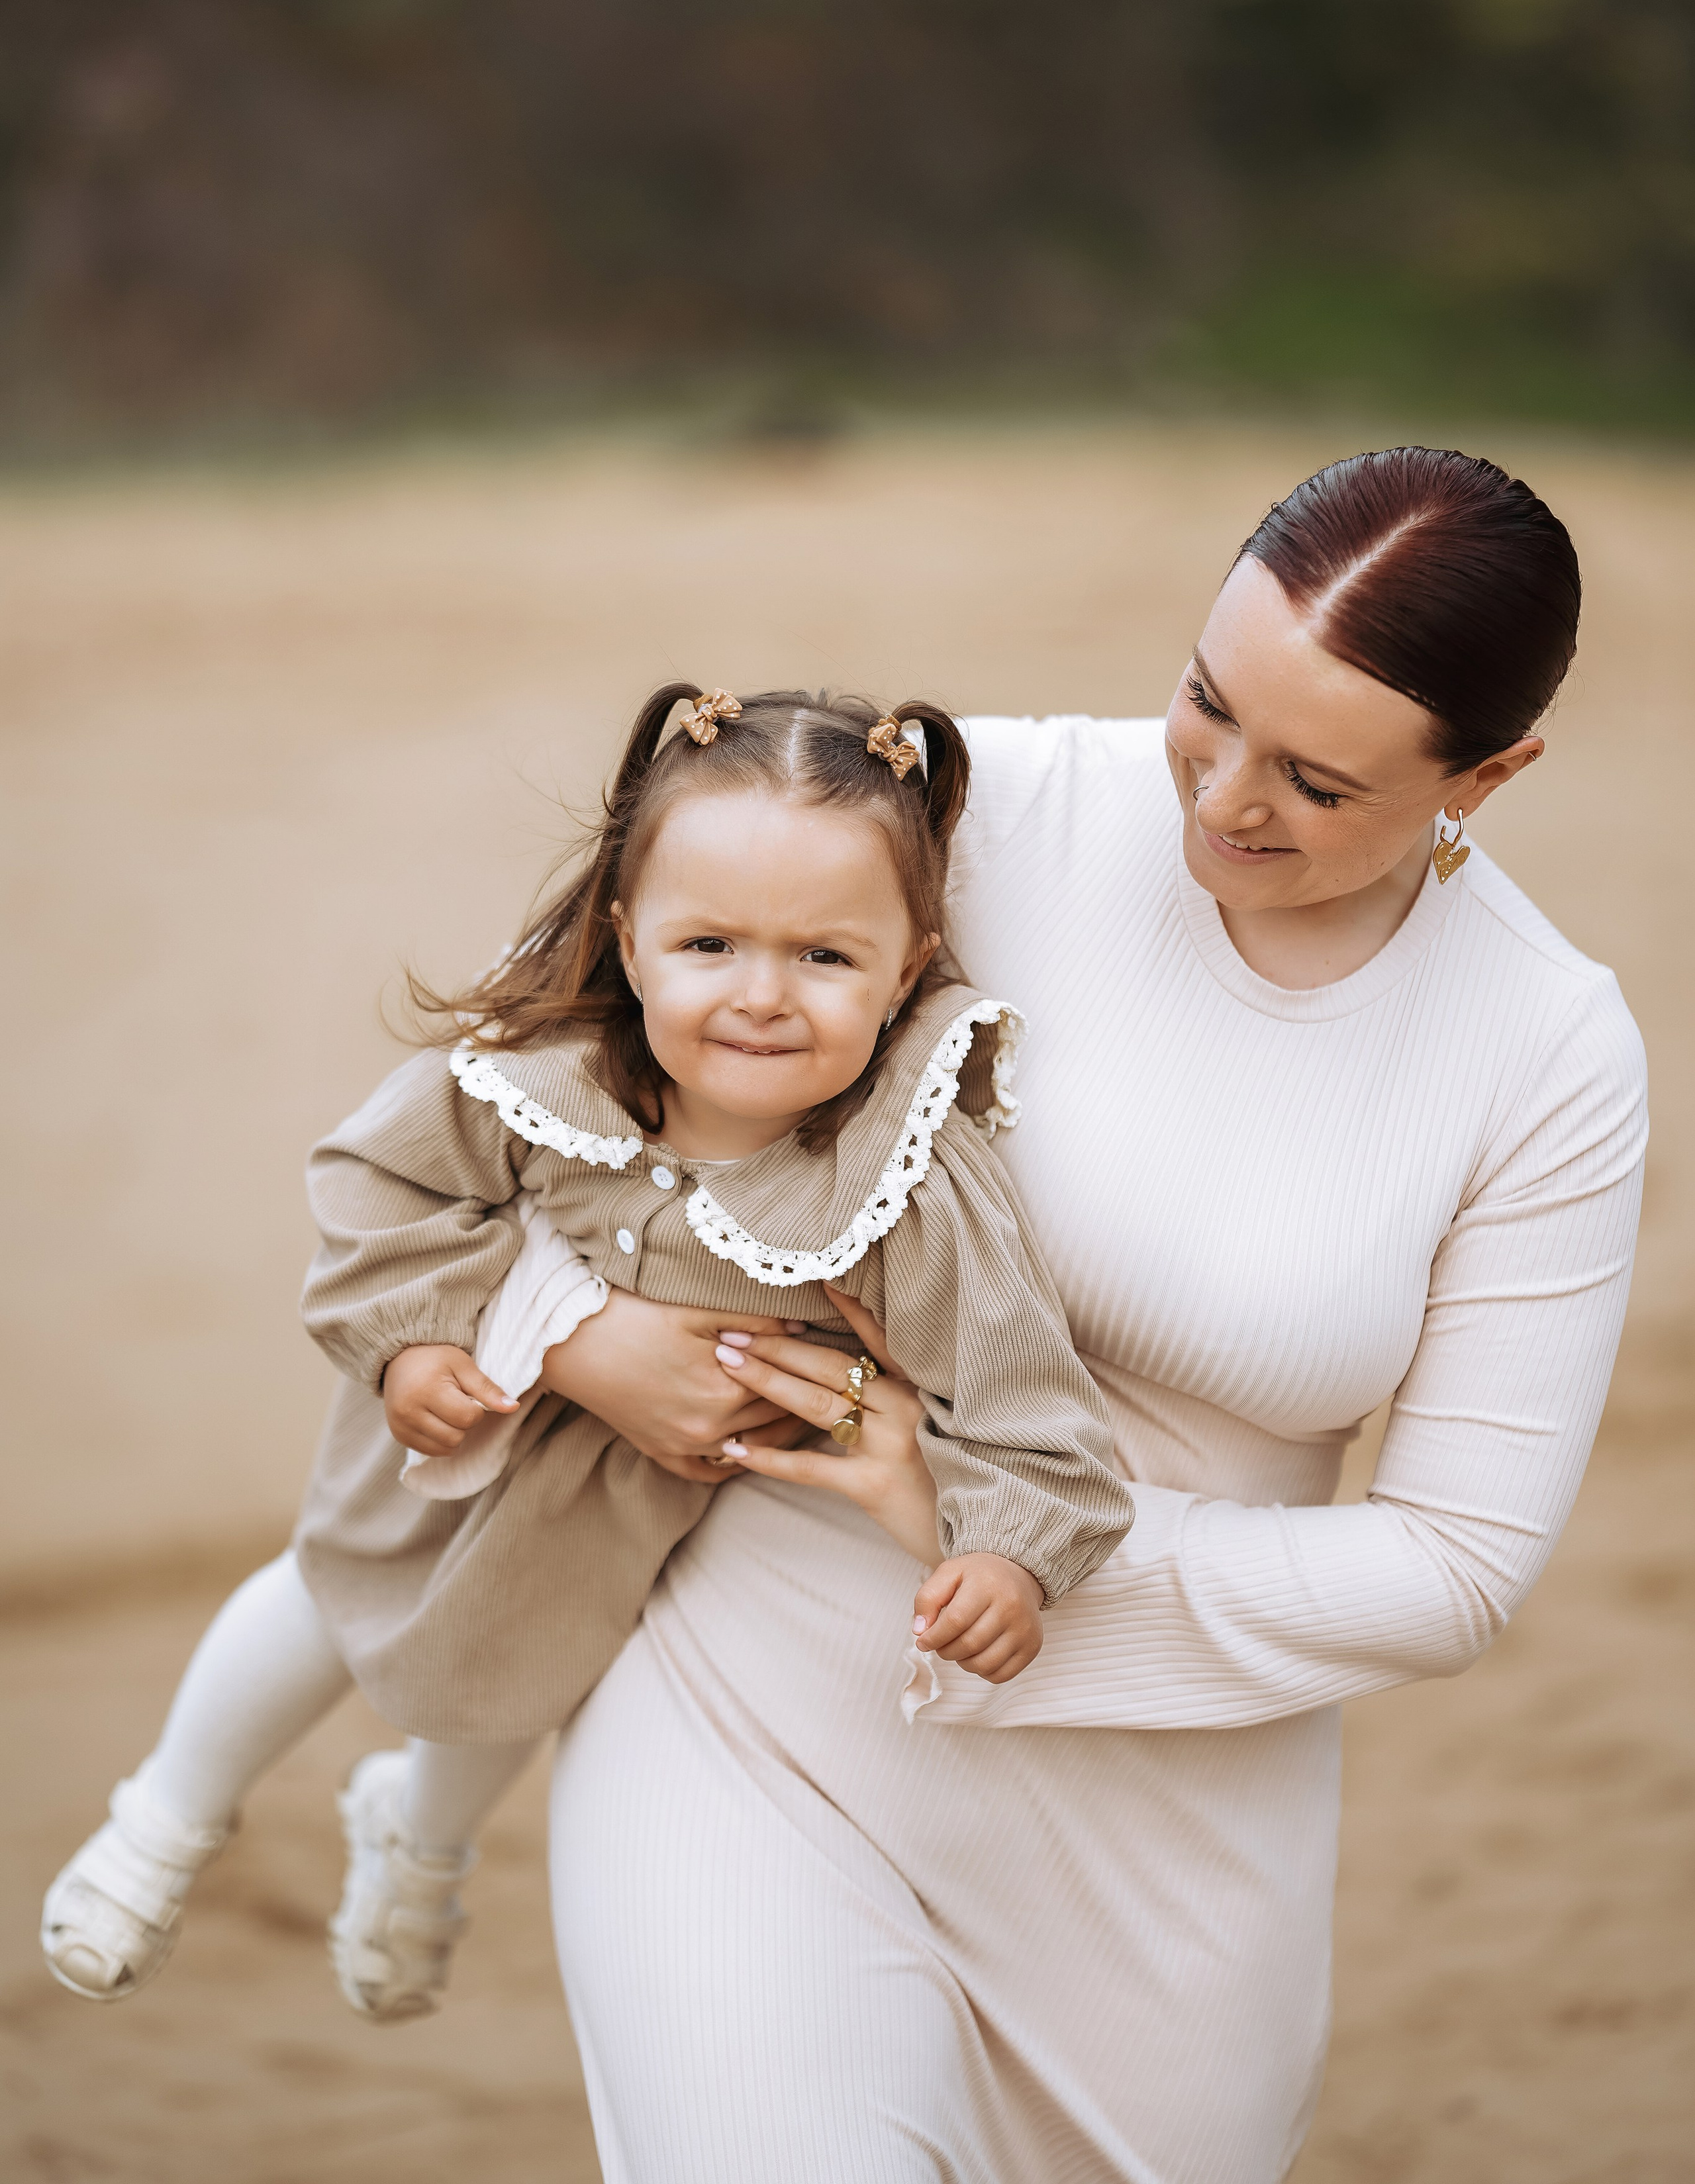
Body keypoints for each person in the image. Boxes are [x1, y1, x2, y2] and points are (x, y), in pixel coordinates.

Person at [538, 448, 1648, 2184]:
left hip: (1171, 1842)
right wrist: (570, 1331)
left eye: (1319, 780)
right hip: (762, 1712)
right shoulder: (987, 812)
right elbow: (520, 1102)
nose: (1220, 801)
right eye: (1207, 705)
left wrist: (990, 1528)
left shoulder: (1547, 1048)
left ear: (1486, 776)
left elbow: (1453, 1571)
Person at [40, 686, 1132, 2022]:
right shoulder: (539, 1073)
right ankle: (162, 1821)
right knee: (320, 1601)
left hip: (610, 1506)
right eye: (709, 942)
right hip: (464, 1422)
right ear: (628, 937)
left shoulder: (898, 1177)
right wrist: (414, 1346)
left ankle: (420, 1844)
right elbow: (376, 1186)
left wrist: (1004, 1551)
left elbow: (1020, 1393)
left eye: (825, 959)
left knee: (515, 1664)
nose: (758, 998)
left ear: (908, 966)